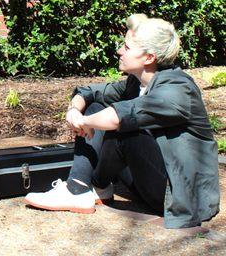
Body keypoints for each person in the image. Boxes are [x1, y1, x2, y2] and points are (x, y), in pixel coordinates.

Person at [24, 14, 220, 228]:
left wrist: (84, 121)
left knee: (126, 128)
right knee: (97, 107)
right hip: (150, 180)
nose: (119, 51)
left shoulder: (178, 89)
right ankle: (87, 188)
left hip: (180, 194)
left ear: (148, 57)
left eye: (127, 47)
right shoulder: (135, 83)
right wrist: (74, 110)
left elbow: (121, 115)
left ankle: (79, 190)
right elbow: (90, 93)